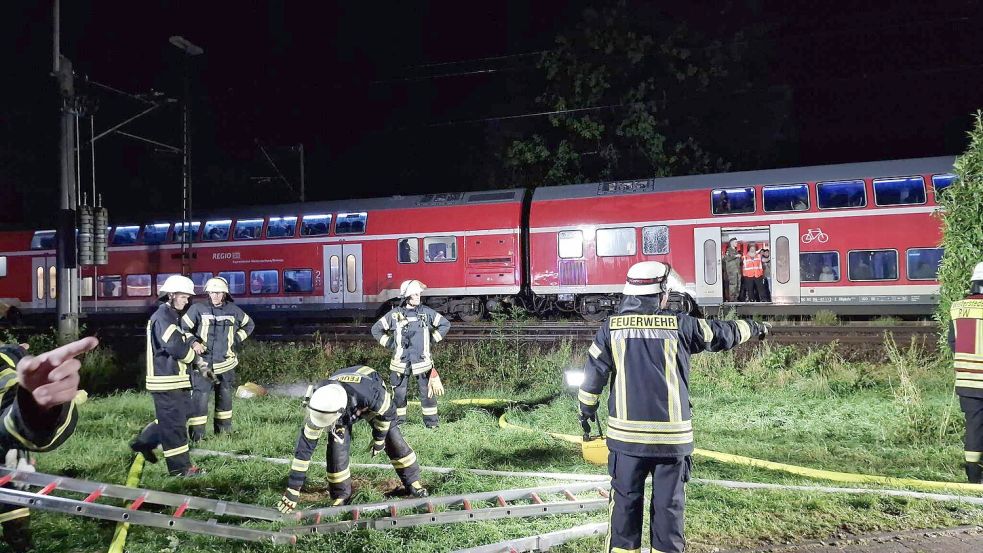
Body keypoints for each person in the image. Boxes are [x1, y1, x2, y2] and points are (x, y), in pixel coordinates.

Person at [578, 261, 768, 553]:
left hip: (627, 443)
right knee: (669, 510)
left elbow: (593, 377)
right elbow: (721, 333)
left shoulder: (610, 328)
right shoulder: (681, 324)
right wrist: (754, 327)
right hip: (672, 442)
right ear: (662, 294)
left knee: (625, 509)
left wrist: (586, 412)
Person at [276, 365, 428, 513]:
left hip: (368, 385)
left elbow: (388, 415)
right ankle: (341, 495)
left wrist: (379, 439)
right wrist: (293, 488)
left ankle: (413, 482)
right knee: (337, 451)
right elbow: (303, 451)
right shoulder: (321, 402)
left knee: (393, 439)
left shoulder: (372, 395)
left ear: (340, 412)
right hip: (342, 400)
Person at [0, 336, 98, 552]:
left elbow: (7, 419)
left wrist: (35, 408)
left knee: (12, 482)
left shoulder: (5, 360)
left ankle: (19, 538)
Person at [130, 275, 208, 477]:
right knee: (174, 425)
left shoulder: (171, 316)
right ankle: (181, 469)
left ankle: (144, 443)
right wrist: (195, 359)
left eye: (188, 297)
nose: (187, 301)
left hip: (176, 380)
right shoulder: (163, 317)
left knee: (182, 416)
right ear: (171, 295)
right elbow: (174, 346)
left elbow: (179, 340)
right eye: (183, 296)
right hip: (166, 381)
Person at [180, 277, 255, 442]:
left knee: (225, 399)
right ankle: (197, 437)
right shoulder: (197, 309)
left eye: (218, 292)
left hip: (226, 364)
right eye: (212, 292)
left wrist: (234, 339)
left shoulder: (234, 310)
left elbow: (249, 325)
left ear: (224, 294)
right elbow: (183, 328)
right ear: (208, 293)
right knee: (200, 399)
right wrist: (194, 342)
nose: (215, 295)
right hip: (203, 364)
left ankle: (223, 434)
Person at [371, 280, 450, 428]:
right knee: (399, 395)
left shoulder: (426, 313)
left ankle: (432, 425)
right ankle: (398, 425)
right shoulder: (395, 315)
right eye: (415, 293)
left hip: (423, 363)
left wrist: (431, 340)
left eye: (419, 293)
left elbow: (445, 324)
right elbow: (376, 330)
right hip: (400, 363)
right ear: (407, 296)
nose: (418, 296)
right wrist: (390, 344)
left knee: (428, 394)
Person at [949, 261, 983, 483]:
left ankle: (973, 474)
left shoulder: (956, 307)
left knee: (974, 425)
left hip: (967, 379)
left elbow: (953, 342)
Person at [721, 238, 742, 303]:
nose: (736, 243)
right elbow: (727, 258)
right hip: (732, 271)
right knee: (733, 285)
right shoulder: (729, 251)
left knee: (738, 285)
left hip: (737, 271)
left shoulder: (736, 251)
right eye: (735, 242)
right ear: (731, 243)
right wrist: (736, 256)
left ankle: (736, 298)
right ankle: (732, 299)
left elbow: (739, 262)